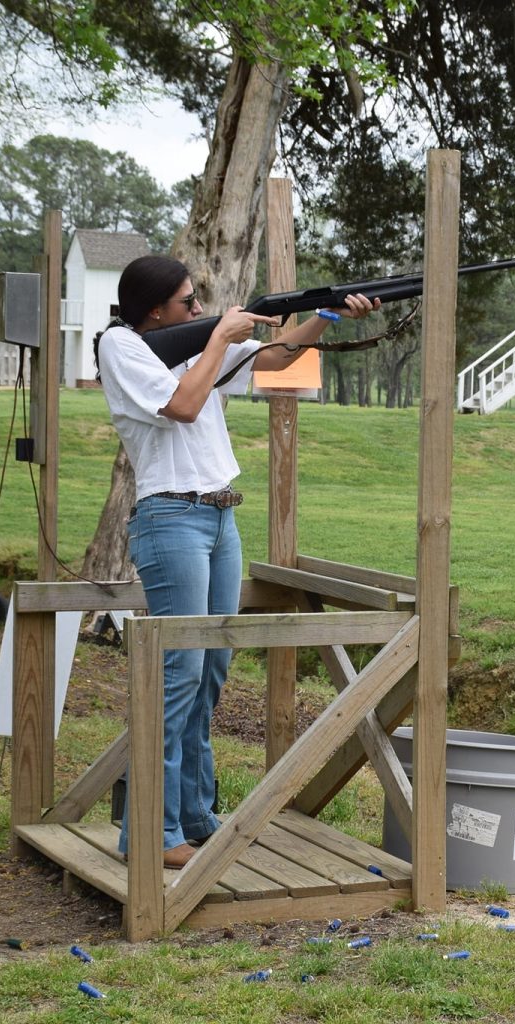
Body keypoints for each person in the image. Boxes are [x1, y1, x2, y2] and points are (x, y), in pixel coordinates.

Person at [96, 255, 378, 868]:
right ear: (153, 311)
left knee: (212, 669)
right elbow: (182, 407)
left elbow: (273, 360)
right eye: (188, 304)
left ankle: (195, 816)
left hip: (219, 514)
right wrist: (219, 335)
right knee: (178, 673)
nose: (198, 311)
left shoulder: (191, 346)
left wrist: (325, 315)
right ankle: (150, 830)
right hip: (170, 517)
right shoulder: (121, 347)